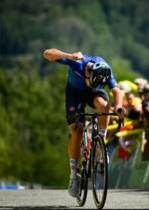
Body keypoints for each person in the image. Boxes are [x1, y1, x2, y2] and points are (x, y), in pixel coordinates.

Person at [43, 48, 125, 197]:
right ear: (87, 73)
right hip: (74, 93)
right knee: (78, 129)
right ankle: (73, 175)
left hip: (92, 94)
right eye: (91, 82)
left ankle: (101, 142)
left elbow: (117, 91)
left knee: (105, 105)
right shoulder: (77, 63)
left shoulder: (104, 68)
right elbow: (47, 53)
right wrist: (68, 56)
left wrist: (119, 107)